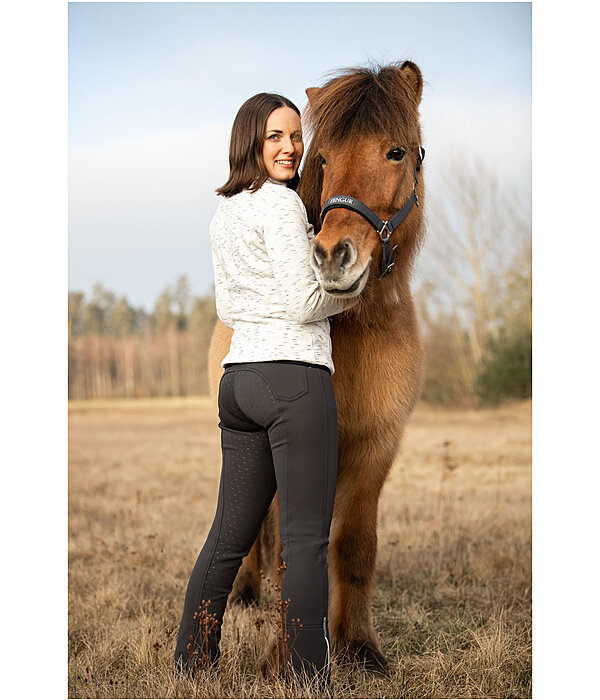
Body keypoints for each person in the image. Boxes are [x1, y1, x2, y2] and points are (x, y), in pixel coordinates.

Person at [174, 93, 359, 686]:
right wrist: (354, 289)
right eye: (276, 136)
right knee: (305, 540)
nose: (290, 148)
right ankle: (306, 677)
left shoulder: (224, 212)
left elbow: (230, 307)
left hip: (239, 381)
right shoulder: (281, 206)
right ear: (250, 141)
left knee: (228, 535)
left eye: (296, 136)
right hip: (292, 379)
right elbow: (306, 303)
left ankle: (191, 662)